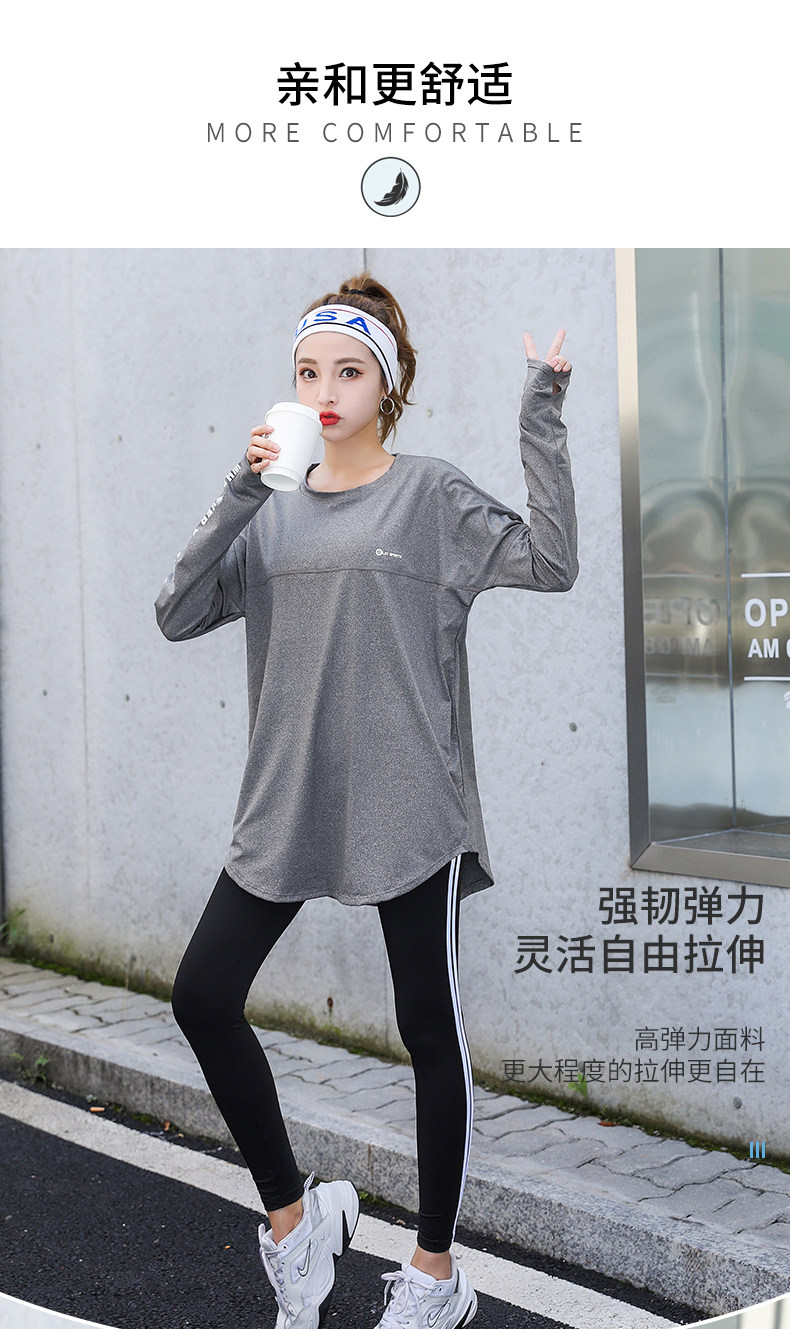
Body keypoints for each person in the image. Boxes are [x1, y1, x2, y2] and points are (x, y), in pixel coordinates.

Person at [155, 273, 577, 1329]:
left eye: (348, 372)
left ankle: (434, 1273)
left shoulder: (429, 497)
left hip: (408, 805)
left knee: (427, 1027)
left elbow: (553, 562)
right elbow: (175, 610)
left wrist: (541, 408)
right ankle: (297, 1223)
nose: (325, 391)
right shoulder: (268, 511)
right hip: (286, 799)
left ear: (387, 387)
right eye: (308, 372)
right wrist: (242, 487)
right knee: (202, 996)